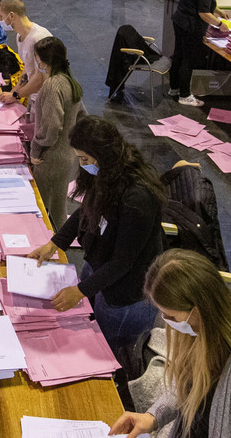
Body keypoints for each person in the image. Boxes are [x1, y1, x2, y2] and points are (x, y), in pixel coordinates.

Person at [108, 249, 231, 438]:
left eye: (172, 317)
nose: (166, 322)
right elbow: (189, 382)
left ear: (198, 311)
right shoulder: (207, 331)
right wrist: (153, 417)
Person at [28, 116, 167, 350]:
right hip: (101, 265)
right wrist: (54, 244)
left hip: (127, 292)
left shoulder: (138, 198)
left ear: (103, 154)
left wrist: (80, 291)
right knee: (89, 327)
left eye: (85, 159)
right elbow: (87, 210)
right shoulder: (107, 173)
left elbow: (123, 262)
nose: (83, 165)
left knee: (109, 349)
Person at [29, 37, 87, 228]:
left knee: (43, 209)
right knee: (58, 206)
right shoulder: (70, 81)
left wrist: (36, 148)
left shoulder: (52, 86)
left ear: (43, 62)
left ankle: (53, 249)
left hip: (50, 157)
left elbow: (52, 127)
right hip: (66, 154)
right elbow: (82, 115)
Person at [168, 0, 231, 108]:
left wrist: (218, 11)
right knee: (187, 60)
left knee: (178, 55)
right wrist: (220, 24)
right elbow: (203, 13)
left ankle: (174, 88)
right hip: (190, 27)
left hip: (180, 22)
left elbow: (202, 2)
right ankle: (184, 95)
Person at [0, 0, 53, 107]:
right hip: (34, 94)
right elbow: (27, 69)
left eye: (1, 16)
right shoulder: (20, 36)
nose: (0, 21)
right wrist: (14, 91)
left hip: (47, 99)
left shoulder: (39, 39)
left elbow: (40, 78)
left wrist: (16, 95)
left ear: (11, 15)